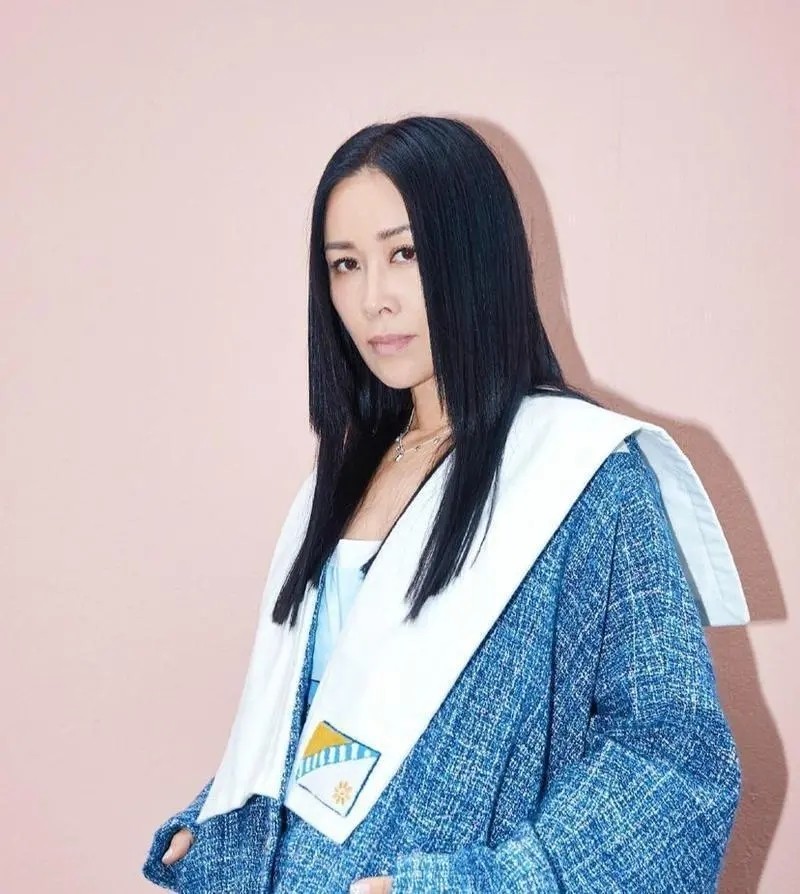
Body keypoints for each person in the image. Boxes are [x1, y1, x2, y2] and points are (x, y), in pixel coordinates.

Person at [141, 115, 749, 894]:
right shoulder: (342, 478)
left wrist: (483, 884)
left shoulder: (585, 475)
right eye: (345, 265)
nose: (373, 299)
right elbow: (326, 724)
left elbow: (675, 760)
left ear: (476, 255)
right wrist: (218, 817)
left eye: (404, 254)